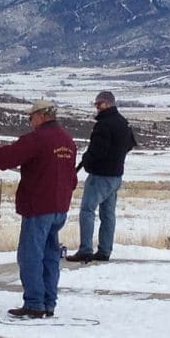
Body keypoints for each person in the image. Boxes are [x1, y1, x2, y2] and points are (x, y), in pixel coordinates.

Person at [0, 99, 77, 318]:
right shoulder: (67, 140)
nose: (29, 120)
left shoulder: (38, 139)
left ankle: (34, 303)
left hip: (38, 206)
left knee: (30, 256)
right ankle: (48, 302)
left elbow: (10, 155)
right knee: (50, 256)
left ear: (42, 116)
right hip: (59, 207)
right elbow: (71, 177)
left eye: (31, 116)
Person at [69, 90, 137, 262]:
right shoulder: (123, 122)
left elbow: (97, 150)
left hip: (100, 175)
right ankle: (105, 251)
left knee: (87, 210)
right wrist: (117, 158)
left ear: (107, 104)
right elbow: (130, 144)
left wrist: (87, 162)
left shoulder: (104, 124)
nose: (96, 108)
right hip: (116, 176)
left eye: (98, 104)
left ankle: (85, 250)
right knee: (108, 215)